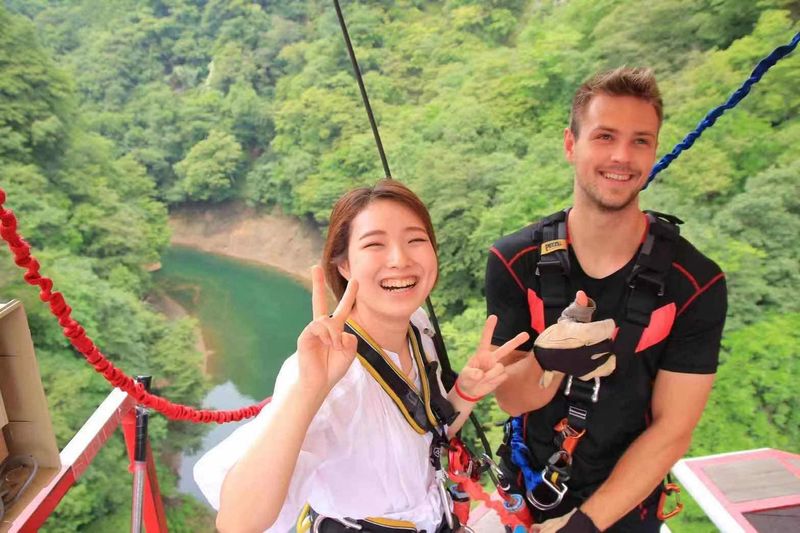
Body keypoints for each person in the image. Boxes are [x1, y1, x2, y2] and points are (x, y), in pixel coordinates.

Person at [194, 179, 529, 533]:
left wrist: (465, 392)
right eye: (374, 244)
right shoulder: (327, 375)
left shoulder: (416, 325)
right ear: (344, 265)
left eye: (416, 240)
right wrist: (309, 392)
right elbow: (238, 522)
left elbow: (427, 432)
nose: (400, 259)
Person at [485, 67, 727, 532]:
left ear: (654, 151)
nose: (622, 156)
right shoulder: (516, 262)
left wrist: (583, 525)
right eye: (605, 136)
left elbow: (672, 429)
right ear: (571, 144)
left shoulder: (694, 283)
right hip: (528, 489)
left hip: (626, 506)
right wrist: (549, 360)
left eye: (640, 141)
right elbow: (512, 400)